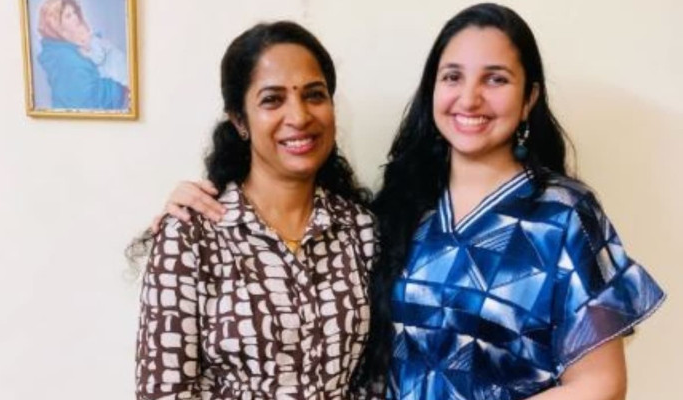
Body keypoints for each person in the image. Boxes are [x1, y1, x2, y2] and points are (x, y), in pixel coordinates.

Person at [151, 3, 665, 399]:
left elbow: (601, 385)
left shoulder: (563, 214)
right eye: (453, 77)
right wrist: (186, 212)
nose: (469, 98)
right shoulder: (402, 209)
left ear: (529, 97)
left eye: (496, 79)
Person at [133, 21, 378, 399]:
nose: (299, 116)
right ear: (239, 120)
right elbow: (164, 391)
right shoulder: (192, 234)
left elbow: (376, 378)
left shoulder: (361, 230)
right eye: (272, 100)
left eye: (314, 95)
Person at [36, 0, 126, 109]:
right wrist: (119, 88)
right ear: (56, 25)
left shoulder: (62, 49)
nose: (75, 18)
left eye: (75, 12)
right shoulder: (67, 59)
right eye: (68, 16)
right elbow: (90, 100)